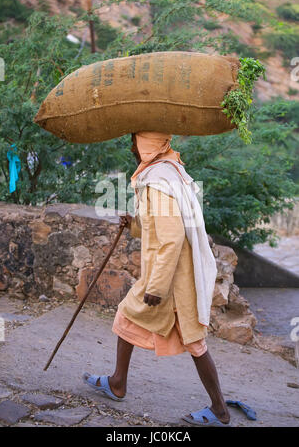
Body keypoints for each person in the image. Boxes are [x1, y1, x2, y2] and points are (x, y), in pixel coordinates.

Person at [83, 131, 231, 427]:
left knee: (193, 341)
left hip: (172, 279)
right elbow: (158, 225)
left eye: (135, 142)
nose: (131, 148)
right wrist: (135, 224)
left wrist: (158, 287)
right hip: (175, 274)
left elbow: (172, 237)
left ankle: (220, 410)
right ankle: (117, 382)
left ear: (147, 145)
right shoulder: (168, 171)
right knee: (130, 318)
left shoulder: (158, 181)